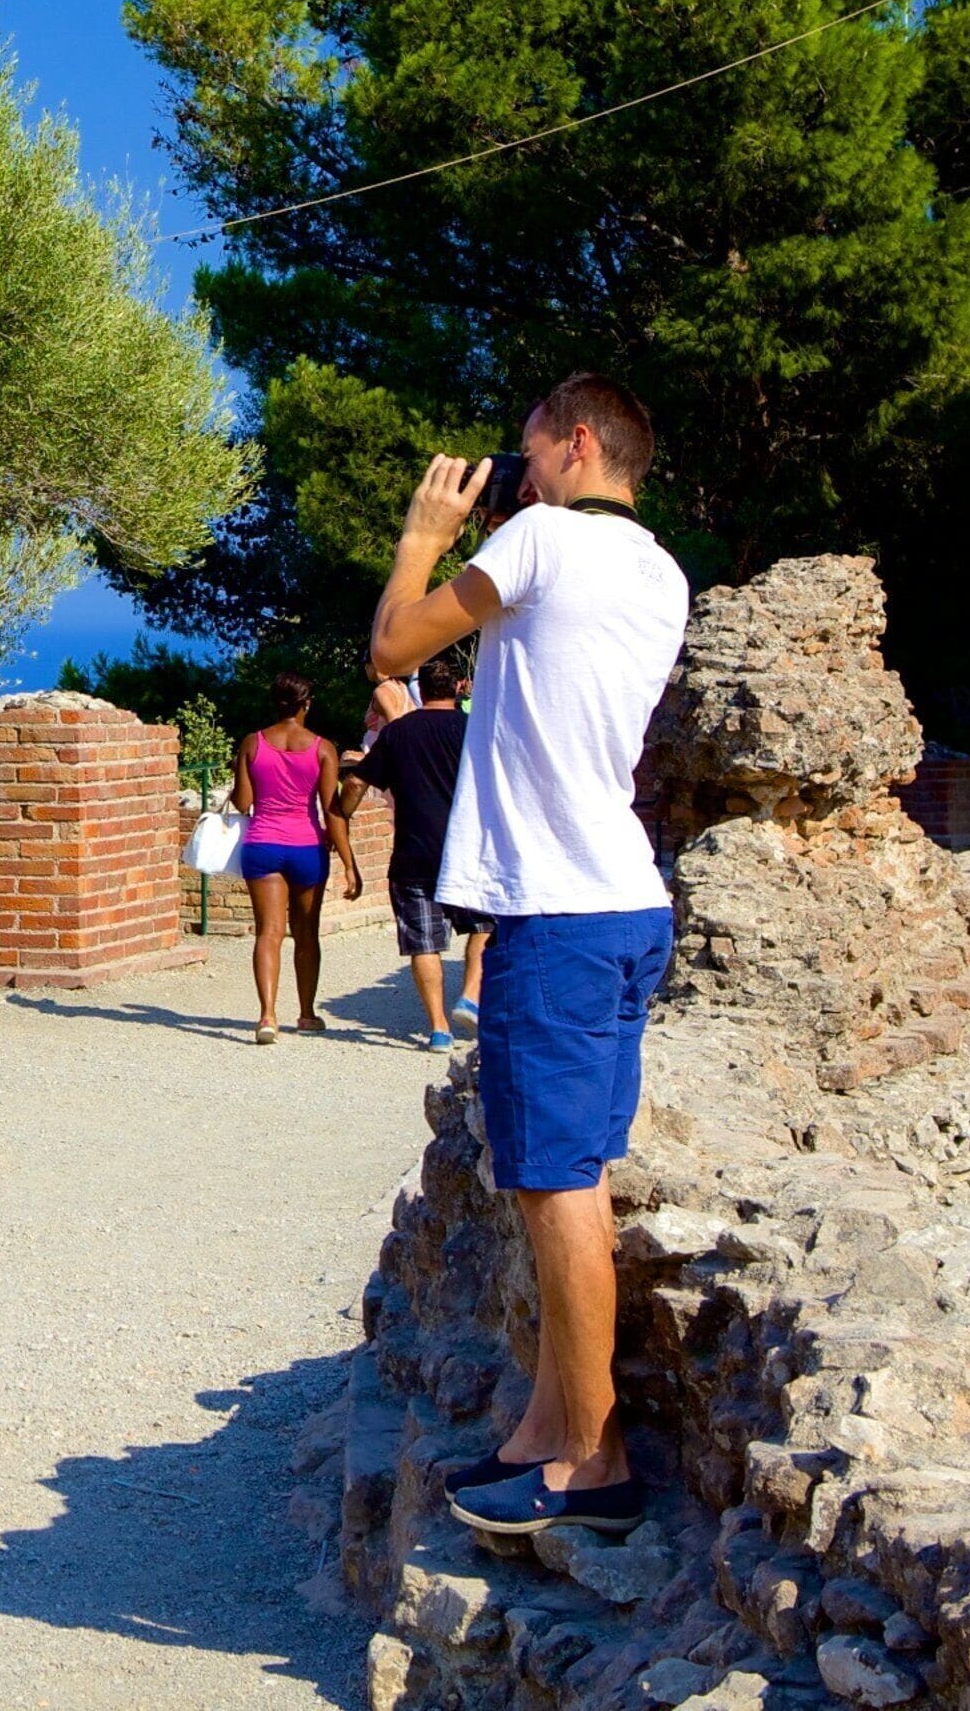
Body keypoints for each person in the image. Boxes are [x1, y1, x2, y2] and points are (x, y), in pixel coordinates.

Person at [366, 374, 689, 1537]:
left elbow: (395, 648)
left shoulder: (544, 539)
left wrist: (423, 536)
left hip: (553, 915)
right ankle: (545, 1434)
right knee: (578, 1180)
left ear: (577, 441)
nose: (520, 468)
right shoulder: (659, 569)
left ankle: (593, 1468)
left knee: (556, 1193)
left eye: (529, 448)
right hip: (626, 905)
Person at [344, 655, 482, 1051]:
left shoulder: (399, 733)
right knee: (485, 929)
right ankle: (470, 994)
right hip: (469, 853)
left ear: (420, 692)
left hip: (413, 853)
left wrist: (341, 813)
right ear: (458, 689)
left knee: (424, 943)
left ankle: (439, 1028)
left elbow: (357, 782)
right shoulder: (476, 730)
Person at [227, 673, 362, 1043]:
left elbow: (242, 802)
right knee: (306, 935)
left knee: (268, 933)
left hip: (263, 844)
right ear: (306, 704)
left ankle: (267, 1016)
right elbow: (332, 811)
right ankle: (306, 1014)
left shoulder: (253, 743)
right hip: (306, 847)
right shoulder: (322, 748)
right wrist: (350, 864)